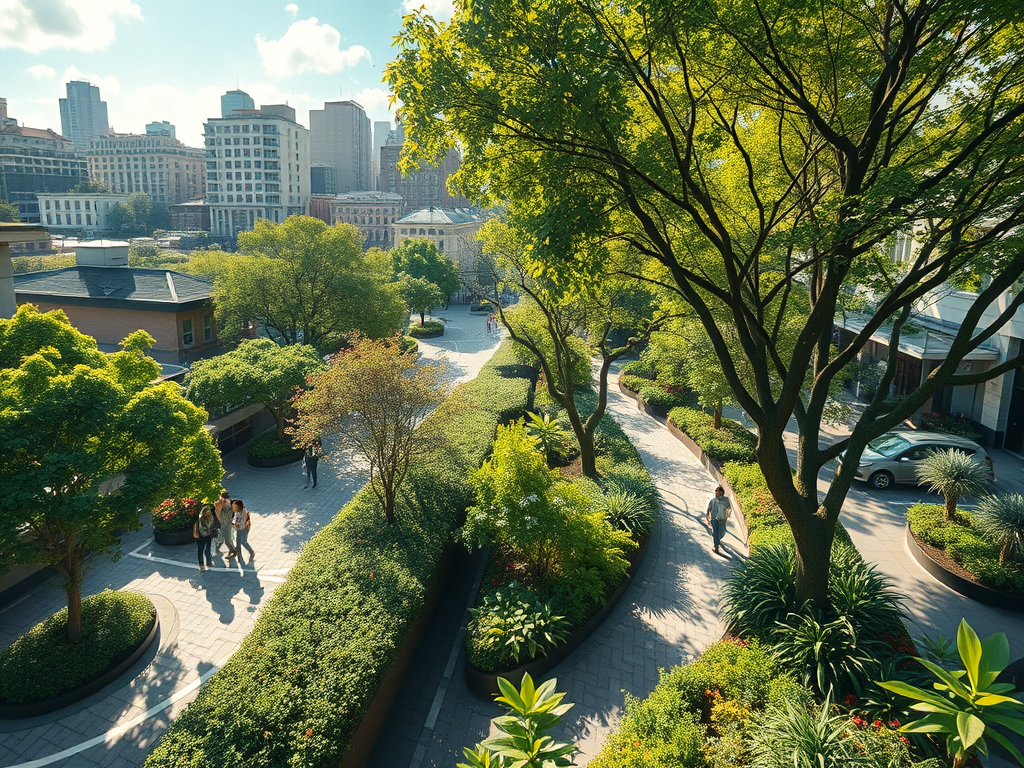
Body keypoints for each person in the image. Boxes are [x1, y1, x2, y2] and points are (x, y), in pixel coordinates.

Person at [706, 486, 732, 555]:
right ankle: (716, 547)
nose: (718, 495)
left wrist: (728, 514)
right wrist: (707, 516)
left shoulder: (726, 500)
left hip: (723, 519)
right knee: (715, 531)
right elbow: (709, 508)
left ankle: (717, 540)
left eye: (719, 493)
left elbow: (729, 508)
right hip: (714, 519)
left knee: (722, 532)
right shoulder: (713, 500)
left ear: (722, 493)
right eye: (717, 493)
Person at [193, 505, 216, 571]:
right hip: (201, 537)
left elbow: (212, 525)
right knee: (201, 550)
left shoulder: (210, 517)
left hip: (208, 536)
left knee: (207, 549)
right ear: (204, 512)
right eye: (207, 512)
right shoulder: (201, 519)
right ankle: (201, 565)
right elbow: (202, 529)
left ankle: (208, 563)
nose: (209, 514)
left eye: (209, 513)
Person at [214, 492, 236, 558]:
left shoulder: (228, 505)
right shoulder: (223, 505)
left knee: (227, 540)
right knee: (228, 539)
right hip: (224, 524)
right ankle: (233, 549)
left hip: (227, 524)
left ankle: (233, 550)